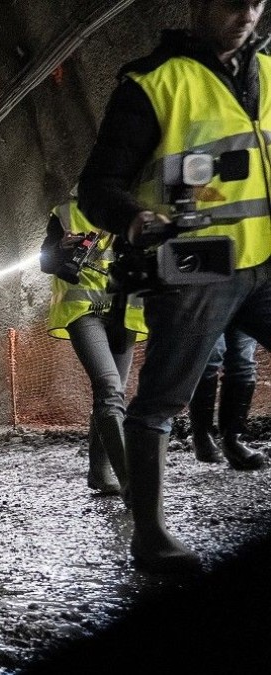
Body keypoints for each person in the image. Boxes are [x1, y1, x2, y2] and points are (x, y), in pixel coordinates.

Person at [78, 0, 271, 572]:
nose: (248, 14)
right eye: (234, 2)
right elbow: (97, 187)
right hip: (195, 265)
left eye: (257, 3)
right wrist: (135, 218)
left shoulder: (270, 73)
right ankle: (151, 533)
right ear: (199, 4)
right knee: (162, 395)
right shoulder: (153, 83)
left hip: (264, 262)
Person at [40, 199, 147, 496]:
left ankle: (99, 472)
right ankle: (132, 483)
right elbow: (45, 264)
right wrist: (62, 247)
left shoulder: (135, 206)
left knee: (112, 394)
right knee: (109, 388)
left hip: (125, 310)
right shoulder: (64, 213)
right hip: (83, 309)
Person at [188, 329, 264, 469]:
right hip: (211, 308)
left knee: (243, 362)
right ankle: (202, 435)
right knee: (209, 357)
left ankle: (233, 439)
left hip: (244, 307)